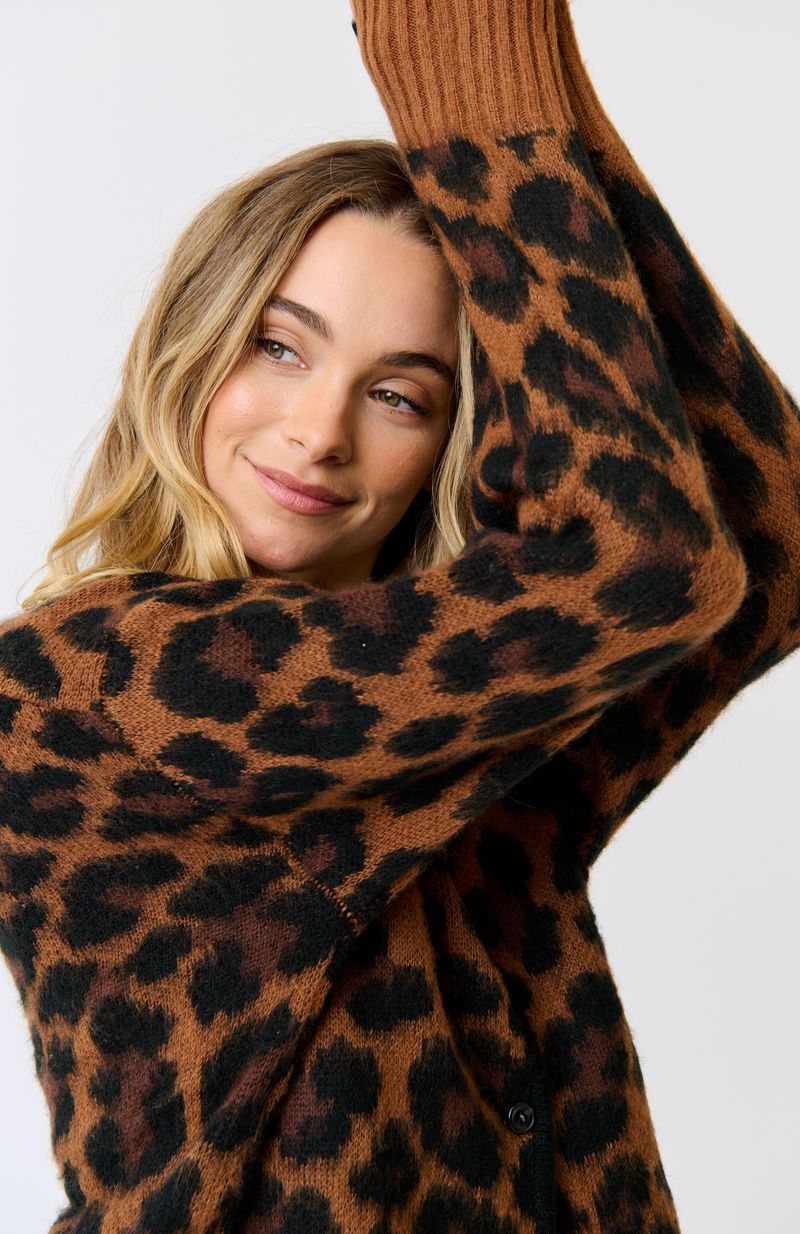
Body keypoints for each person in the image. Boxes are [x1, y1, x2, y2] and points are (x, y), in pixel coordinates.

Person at [0, 2, 796, 1231]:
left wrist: (531, 97)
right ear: (191, 345)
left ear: (451, 441)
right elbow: (646, 562)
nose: (319, 431)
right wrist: (468, 81)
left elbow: (766, 541)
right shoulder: (79, 687)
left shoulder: (468, 713)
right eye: (277, 347)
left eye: (398, 394)